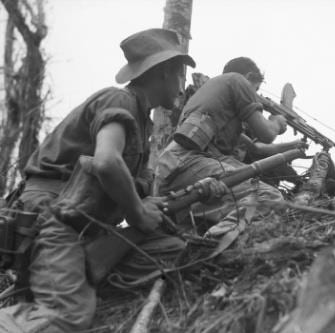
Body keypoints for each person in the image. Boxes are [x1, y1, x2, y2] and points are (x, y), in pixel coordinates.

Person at [0, 28, 198, 332]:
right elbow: (106, 162)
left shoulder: (140, 121)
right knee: (67, 316)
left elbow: (113, 180)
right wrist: (138, 212)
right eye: (180, 76)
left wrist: (145, 202)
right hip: (53, 218)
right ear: (164, 72)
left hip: (81, 227)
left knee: (172, 250)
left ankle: (78, 279)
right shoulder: (119, 99)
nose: (182, 87)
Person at [155, 57, 288, 234]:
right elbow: (267, 134)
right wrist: (277, 122)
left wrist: (296, 146)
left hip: (172, 169)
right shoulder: (237, 80)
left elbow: (256, 148)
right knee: (268, 197)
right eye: (255, 89)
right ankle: (217, 243)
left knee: (194, 229)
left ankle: (207, 240)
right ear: (248, 76)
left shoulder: (215, 102)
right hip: (188, 161)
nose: (254, 95)